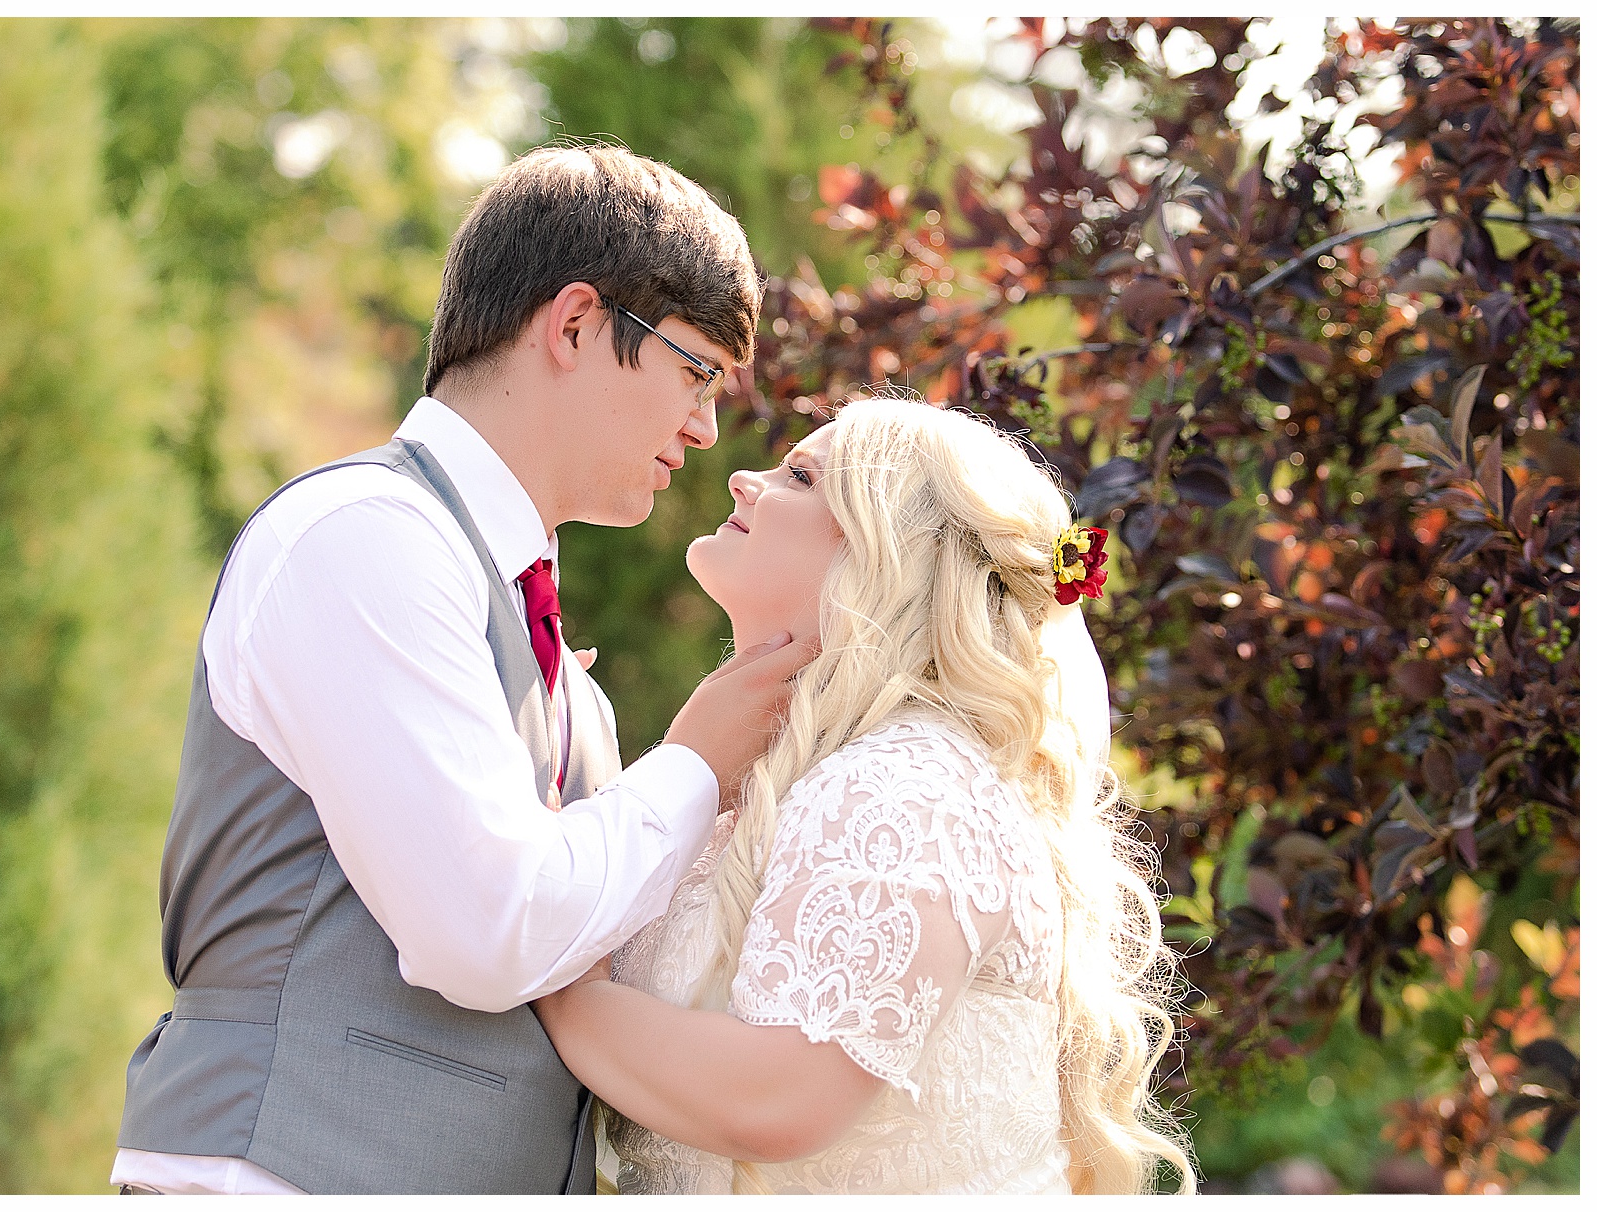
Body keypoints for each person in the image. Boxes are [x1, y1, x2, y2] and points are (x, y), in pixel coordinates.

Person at [112, 145, 811, 1194]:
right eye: (695, 369)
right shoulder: (365, 539)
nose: (708, 427)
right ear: (575, 325)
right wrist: (697, 763)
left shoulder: (555, 659)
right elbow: (485, 933)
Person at [533, 397, 1198, 1194]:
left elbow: (779, 1098)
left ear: (893, 551)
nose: (745, 479)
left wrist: (551, 959)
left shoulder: (903, 789)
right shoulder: (803, 779)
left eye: (802, 475)